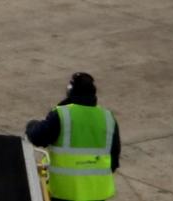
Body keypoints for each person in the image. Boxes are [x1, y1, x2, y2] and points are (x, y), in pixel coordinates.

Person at [23, 72, 118, 201]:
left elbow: (37, 137)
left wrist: (31, 125)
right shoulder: (108, 118)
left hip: (66, 193)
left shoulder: (62, 115)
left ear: (70, 91)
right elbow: (114, 160)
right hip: (97, 193)